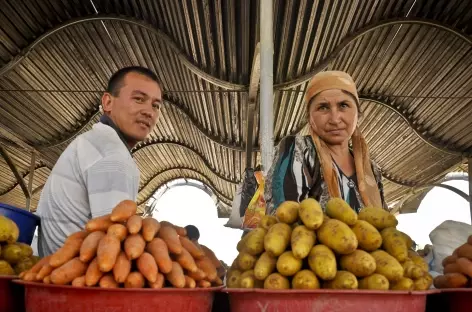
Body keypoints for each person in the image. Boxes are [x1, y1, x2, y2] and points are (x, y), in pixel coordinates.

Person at [36, 66, 162, 257]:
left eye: (156, 105)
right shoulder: (111, 153)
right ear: (108, 102)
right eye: (139, 99)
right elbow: (115, 244)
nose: (149, 112)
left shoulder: (92, 142)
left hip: (59, 269)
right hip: (75, 280)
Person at [265, 71, 387, 214]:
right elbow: (284, 216)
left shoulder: (372, 170)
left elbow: (383, 223)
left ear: (357, 113)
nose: (335, 119)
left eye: (343, 105)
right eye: (323, 107)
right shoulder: (298, 150)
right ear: (309, 117)